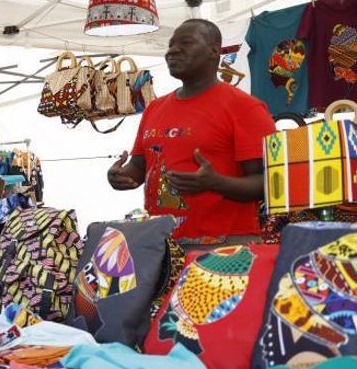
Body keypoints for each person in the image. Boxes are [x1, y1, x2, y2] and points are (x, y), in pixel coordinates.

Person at [107, 19, 276, 245]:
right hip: (161, 246)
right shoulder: (155, 108)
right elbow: (139, 167)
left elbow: (268, 182)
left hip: (225, 247)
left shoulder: (245, 108)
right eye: (170, 45)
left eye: (185, 43)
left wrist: (215, 183)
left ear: (214, 51)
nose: (172, 51)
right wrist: (121, 176)